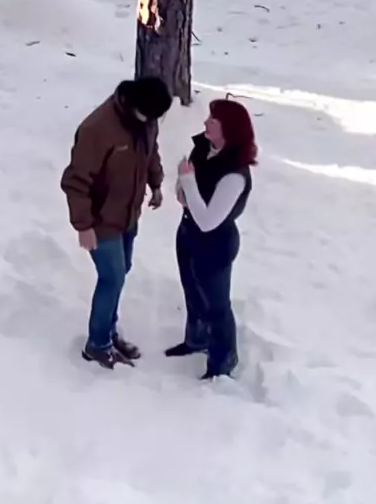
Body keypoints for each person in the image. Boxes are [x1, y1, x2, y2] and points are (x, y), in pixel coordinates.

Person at [61, 76, 172, 369]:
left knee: (121, 272)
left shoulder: (147, 120)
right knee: (112, 277)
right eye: (149, 116)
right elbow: (76, 182)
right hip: (101, 220)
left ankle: (109, 332)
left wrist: (156, 183)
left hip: (128, 214)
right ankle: (97, 344)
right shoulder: (97, 129)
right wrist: (84, 225)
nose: (153, 122)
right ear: (135, 104)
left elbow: (150, 151)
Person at [166, 97, 257, 380]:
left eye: (212, 120)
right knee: (192, 293)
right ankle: (196, 339)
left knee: (216, 306)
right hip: (187, 233)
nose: (205, 122)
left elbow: (208, 221)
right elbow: (186, 193)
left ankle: (222, 360)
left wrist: (188, 183)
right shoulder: (204, 148)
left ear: (228, 129)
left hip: (214, 246)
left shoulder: (234, 174)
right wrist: (182, 187)